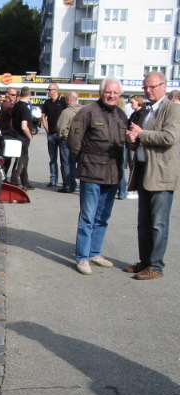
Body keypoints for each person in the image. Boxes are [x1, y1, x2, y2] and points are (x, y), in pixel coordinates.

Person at [68, 77, 128, 275]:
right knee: (87, 217)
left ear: (119, 94)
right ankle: (82, 257)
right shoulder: (87, 111)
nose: (112, 95)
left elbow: (126, 142)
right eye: (108, 92)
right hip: (91, 172)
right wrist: (84, 160)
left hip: (113, 174)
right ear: (101, 92)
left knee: (102, 217)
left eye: (115, 92)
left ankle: (94, 252)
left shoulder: (121, 115)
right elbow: (74, 140)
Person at [124, 72, 180, 280]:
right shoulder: (147, 110)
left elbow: (170, 137)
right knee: (144, 222)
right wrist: (132, 139)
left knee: (158, 224)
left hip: (161, 174)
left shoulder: (172, 109)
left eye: (152, 86)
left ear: (163, 86)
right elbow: (140, 138)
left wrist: (141, 134)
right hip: (144, 170)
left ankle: (156, 265)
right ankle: (145, 261)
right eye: (145, 87)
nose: (148, 90)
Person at [41, 83, 68, 188]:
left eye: (50, 89)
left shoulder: (63, 101)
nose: (48, 91)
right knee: (52, 159)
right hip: (51, 134)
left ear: (56, 90)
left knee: (64, 159)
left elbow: (69, 115)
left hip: (62, 135)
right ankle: (53, 179)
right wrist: (46, 127)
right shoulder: (47, 103)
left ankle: (66, 181)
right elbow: (43, 116)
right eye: (47, 90)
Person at [55, 91, 82, 193]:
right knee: (73, 163)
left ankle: (67, 185)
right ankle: (73, 183)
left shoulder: (66, 112)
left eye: (66, 98)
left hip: (66, 139)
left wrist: (59, 135)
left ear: (69, 99)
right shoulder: (82, 111)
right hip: (78, 139)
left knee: (65, 163)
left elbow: (60, 126)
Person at [10, 86, 34, 190]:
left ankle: (25, 182)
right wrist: (30, 136)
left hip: (15, 134)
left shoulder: (16, 106)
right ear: (29, 95)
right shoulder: (25, 108)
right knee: (22, 160)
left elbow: (12, 122)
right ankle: (14, 181)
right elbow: (24, 126)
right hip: (23, 137)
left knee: (22, 159)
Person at [125, 95, 146, 200]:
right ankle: (133, 187)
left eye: (132, 102)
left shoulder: (143, 113)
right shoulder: (134, 114)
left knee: (134, 165)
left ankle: (136, 189)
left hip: (138, 142)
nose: (130, 104)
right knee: (131, 164)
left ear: (138, 102)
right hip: (131, 141)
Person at [0, 87, 18, 176]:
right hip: (7, 133)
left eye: (16, 95)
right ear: (7, 94)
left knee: (8, 156)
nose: (15, 97)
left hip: (9, 132)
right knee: (6, 156)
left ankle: (4, 175)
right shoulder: (7, 105)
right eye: (13, 95)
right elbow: (14, 115)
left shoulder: (10, 104)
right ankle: (3, 175)